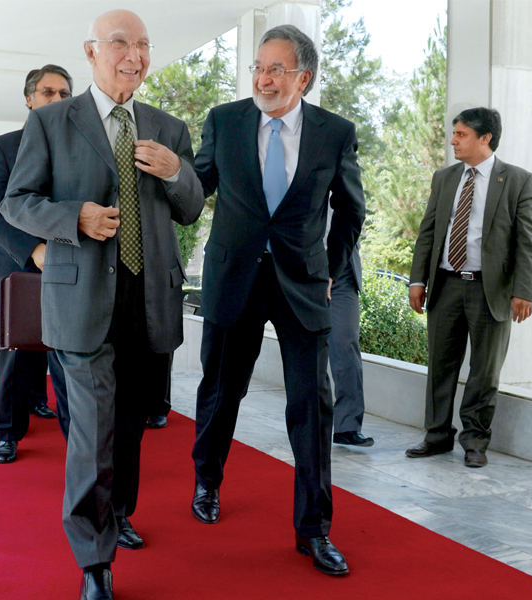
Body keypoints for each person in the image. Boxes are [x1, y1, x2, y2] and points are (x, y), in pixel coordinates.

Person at [3, 10, 205, 599]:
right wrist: (74, 219)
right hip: (82, 298)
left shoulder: (168, 129)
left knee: (132, 426)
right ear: (92, 51)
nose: (135, 55)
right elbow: (17, 203)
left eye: (144, 44)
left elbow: (191, 208)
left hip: (149, 303)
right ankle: (94, 562)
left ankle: (120, 515)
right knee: (91, 431)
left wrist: (177, 173)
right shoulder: (51, 122)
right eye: (122, 43)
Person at [190, 25, 365, 577]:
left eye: (276, 70)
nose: (263, 79)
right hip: (233, 278)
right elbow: (195, 190)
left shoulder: (335, 132)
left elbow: (352, 212)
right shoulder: (224, 120)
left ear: (303, 78)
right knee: (221, 391)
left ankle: (313, 530)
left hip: (303, 285)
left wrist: (332, 270)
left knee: (311, 409)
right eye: (258, 68)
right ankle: (208, 482)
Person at [407, 107, 532, 468]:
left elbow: (528, 243)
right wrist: (418, 279)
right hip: (446, 286)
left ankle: (475, 442)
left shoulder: (519, 181)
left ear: (486, 138)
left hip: (489, 291)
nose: (453, 141)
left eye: (461, 134)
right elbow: (428, 232)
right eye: (454, 134)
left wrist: (524, 291)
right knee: (440, 365)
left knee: (484, 371)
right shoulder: (445, 177)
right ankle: (435, 436)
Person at [0, 64, 73, 464]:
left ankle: (79, 443)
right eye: (48, 92)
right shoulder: (5, 146)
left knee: (69, 359)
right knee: (16, 358)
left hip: (71, 268)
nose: (57, 100)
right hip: (20, 268)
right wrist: (32, 248)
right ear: (29, 99)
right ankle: (9, 433)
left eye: (65, 94)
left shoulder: (83, 147)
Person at [329, 244, 374, 447]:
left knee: (345, 345)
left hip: (342, 268)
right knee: (306, 348)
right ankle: (307, 422)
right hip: (304, 263)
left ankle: (347, 427)